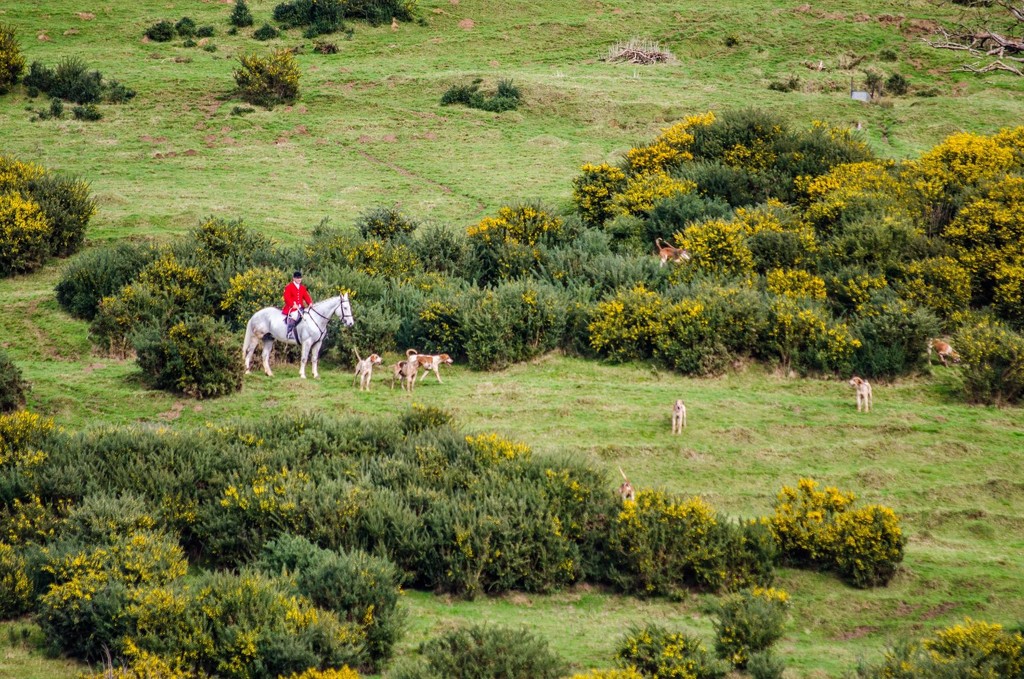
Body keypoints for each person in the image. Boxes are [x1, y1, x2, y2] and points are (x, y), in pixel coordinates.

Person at [283, 271, 312, 340]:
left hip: (301, 307)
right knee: (294, 316)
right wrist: (292, 305)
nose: (299, 279)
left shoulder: (302, 287)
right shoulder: (289, 287)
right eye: (297, 278)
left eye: (300, 278)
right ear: (294, 278)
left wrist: (310, 303)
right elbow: (286, 297)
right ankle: (289, 333)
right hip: (292, 307)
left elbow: (306, 296)